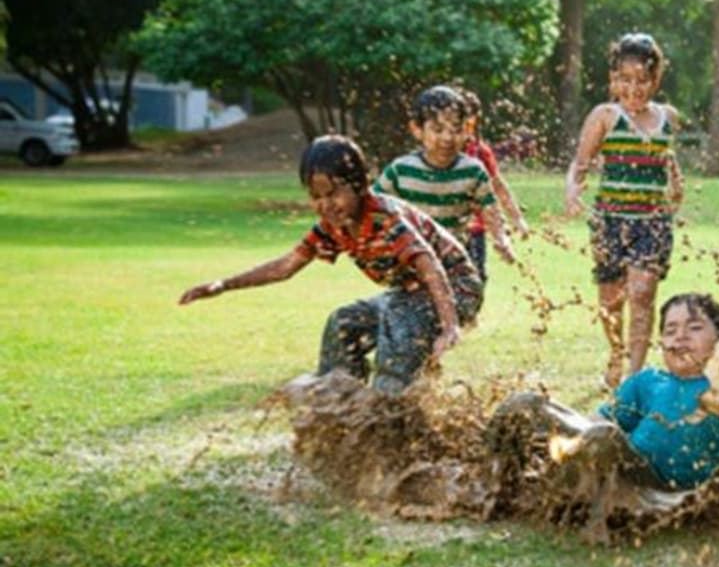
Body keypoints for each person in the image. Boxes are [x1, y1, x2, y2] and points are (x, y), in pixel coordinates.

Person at [179, 134, 483, 394]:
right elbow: (286, 266)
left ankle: (390, 403)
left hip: (457, 290)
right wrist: (224, 285)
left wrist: (450, 326)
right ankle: (339, 399)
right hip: (410, 293)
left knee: (397, 316)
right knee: (343, 322)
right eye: (316, 196)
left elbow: (430, 265)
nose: (325, 205)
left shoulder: (385, 218)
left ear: (360, 184)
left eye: (333, 193)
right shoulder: (333, 226)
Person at [487, 293, 719, 492]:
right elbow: (595, 423)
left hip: (671, 493)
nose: (680, 337)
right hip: (628, 475)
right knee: (523, 404)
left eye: (694, 327)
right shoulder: (647, 381)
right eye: (670, 330)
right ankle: (492, 484)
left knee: (602, 437)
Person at [564, 32, 685, 389]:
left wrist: (675, 180)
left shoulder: (668, 118)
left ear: (655, 80)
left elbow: (665, 155)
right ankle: (616, 352)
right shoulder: (605, 116)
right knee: (611, 300)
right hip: (611, 222)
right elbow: (580, 163)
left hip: (653, 221)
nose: (633, 89)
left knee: (643, 292)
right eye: (624, 79)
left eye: (642, 80)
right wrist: (573, 188)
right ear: (612, 79)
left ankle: (634, 374)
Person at [374, 85, 516, 280]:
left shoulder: (472, 172)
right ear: (417, 129)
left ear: (467, 130)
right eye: (437, 129)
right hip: (414, 266)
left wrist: (501, 239)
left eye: (456, 129)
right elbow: (372, 205)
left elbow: (489, 209)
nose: (447, 138)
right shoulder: (401, 171)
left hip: (455, 264)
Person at [458, 88, 530, 281]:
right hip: (443, 227)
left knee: (476, 278)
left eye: (469, 119)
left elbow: (498, 186)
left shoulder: (479, 152)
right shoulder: (436, 151)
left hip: (473, 230)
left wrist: (516, 219)